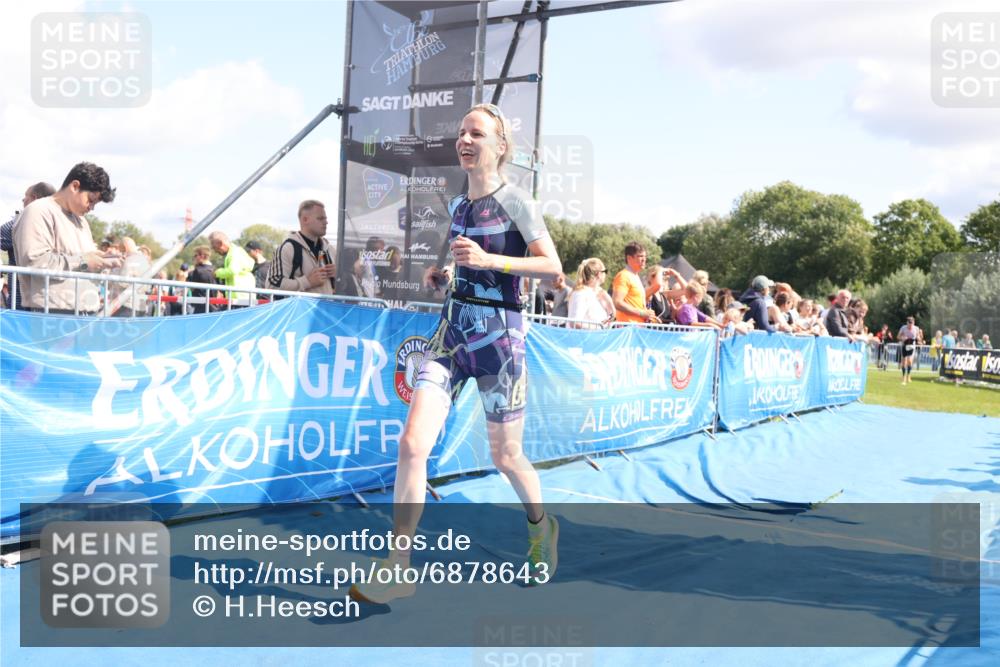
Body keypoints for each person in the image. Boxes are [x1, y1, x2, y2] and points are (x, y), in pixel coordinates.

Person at [350, 103, 562, 604]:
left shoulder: (517, 201)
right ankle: (399, 566)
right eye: (462, 133)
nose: (465, 140)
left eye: (477, 134)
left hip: (500, 339)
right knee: (411, 444)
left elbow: (552, 266)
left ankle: (541, 528)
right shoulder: (458, 205)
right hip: (451, 333)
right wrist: (445, 273)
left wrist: (491, 260)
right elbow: (459, 253)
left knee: (506, 456)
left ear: (500, 146)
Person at [13, 163, 121, 313]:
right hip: (53, 315)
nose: (92, 207)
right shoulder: (38, 211)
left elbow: (84, 258)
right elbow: (35, 262)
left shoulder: (82, 221)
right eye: (90, 200)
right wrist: (84, 261)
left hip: (84, 312)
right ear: (75, 186)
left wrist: (102, 259)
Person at [1, 181, 56, 308]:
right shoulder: (60, 225)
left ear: (34, 199)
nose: (23, 200)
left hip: (21, 302)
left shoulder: (16, 225)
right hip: (51, 303)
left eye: (25, 197)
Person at [266, 200, 336, 296]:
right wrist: (307, 282)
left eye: (325, 218)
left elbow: (342, 287)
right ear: (305, 220)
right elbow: (271, 286)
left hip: (326, 310)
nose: (326, 222)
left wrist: (338, 276)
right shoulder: (288, 248)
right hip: (300, 311)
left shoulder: (330, 249)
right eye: (320, 218)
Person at [612, 241, 659, 324]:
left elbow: (635, 305)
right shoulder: (623, 276)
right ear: (629, 258)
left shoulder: (635, 276)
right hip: (627, 328)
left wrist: (649, 315)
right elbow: (617, 302)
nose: (644, 259)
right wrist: (641, 313)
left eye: (645, 256)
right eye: (640, 256)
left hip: (636, 328)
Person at [209, 230, 256, 306]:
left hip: (240, 299)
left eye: (214, 247)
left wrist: (217, 273)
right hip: (240, 298)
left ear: (221, 243)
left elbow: (232, 270)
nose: (215, 251)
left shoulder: (234, 253)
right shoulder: (234, 252)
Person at [567, 258, 614, 328]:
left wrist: (611, 308)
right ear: (599, 274)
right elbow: (574, 322)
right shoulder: (581, 293)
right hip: (583, 338)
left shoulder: (596, 293)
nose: (606, 274)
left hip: (595, 337)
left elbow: (605, 323)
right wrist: (598, 328)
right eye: (605, 271)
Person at [185, 245, 219, 313]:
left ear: (202, 256)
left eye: (195, 255)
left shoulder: (197, 271)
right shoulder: (216, 271)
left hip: (200, 307)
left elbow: (191, 288)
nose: (194, 258)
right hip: (214, 307)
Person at [897, 316, 919, 385]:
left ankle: (908, 375)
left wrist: (919, 339)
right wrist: (902, 338)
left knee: (909, 361)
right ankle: (903, 377)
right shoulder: (903, 328)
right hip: (904, 345)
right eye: (909, 323)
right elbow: (898, 337)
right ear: (907, 323)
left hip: (912, 346)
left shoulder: (916, 328)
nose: (910, 325)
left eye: (911, 323)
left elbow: (918, 337)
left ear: (913, 323)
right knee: (904, 362)